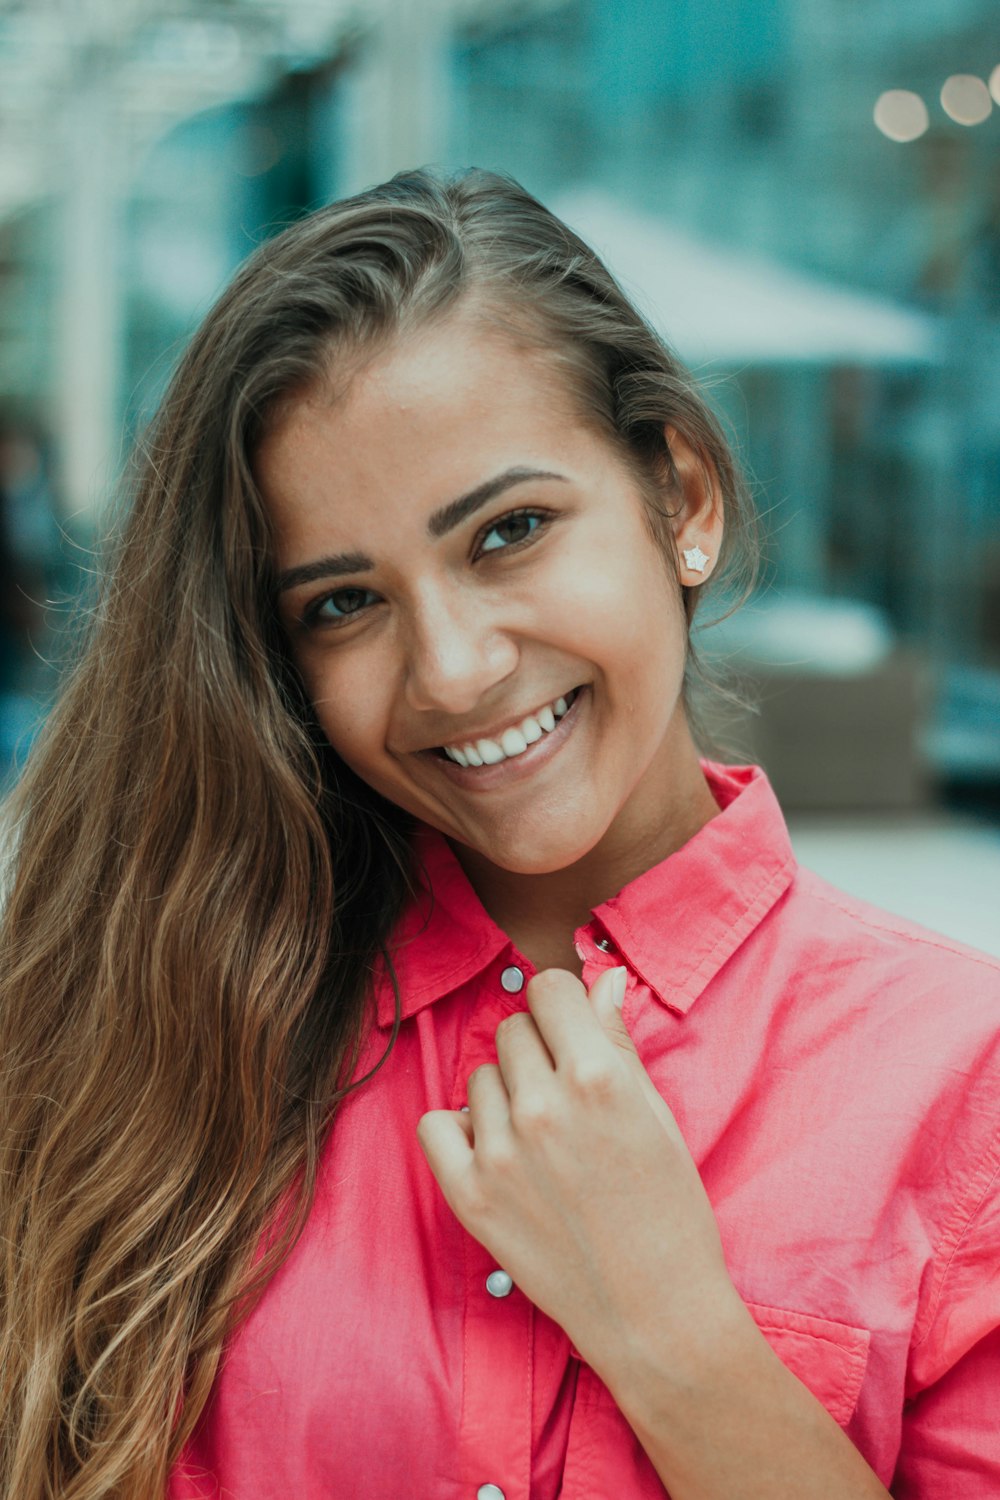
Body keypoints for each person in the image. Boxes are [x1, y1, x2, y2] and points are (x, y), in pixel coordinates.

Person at [1, 168, 997, 1500]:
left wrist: (675, 1337)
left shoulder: (961, 1082)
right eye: (343, 605)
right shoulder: (153, 1026)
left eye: (510, 531)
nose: (455, 670)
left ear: (683, 498)